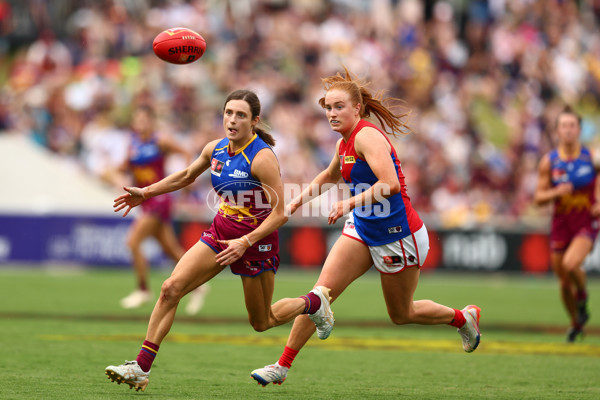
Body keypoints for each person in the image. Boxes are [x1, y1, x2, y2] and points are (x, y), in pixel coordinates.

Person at [250, 68, 481, 386]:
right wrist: (294, 203)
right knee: (320, 294)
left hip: (398, 236)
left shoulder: (366, 136)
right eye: (328, 108)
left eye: (338, 106)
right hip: (362, 228)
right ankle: (282, 366)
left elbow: (390, 185)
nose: (331, 113)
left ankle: (463, 318)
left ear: (357, 108)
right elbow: (329, 177)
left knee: (402, 314)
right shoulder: (343, 143)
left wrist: (348, 204)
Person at [104, 90, 334, 392]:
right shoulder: (215, 149)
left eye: (240, 115)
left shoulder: (262, 157)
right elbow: (186, 175)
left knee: (262, 321)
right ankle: (141, 367)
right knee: (171, 289)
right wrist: (145, 193)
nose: (232, 120)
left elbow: (280, 214)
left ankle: (313, 302)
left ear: (254, 121)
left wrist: (246, 241)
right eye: (228, 113)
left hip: (256, 242)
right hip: (221, 232)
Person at [117, 105, 209, 315]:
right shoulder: (132, 144)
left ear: (150, 121)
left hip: (159, 199)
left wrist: (188, 181)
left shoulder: (160, 141)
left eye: (143, 119)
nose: (140, 123)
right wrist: (111, 170)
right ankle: (199, 286)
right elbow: (125, 167)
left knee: (132, 242)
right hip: (145, 201)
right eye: (137, 119)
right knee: (171, 250)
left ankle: (142, 290)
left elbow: (186, 152)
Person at [534, 106, 599, 342]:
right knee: (562, 281)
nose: (568, 130)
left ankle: (582, 296)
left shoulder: (591, 157)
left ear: (579, 130)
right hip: (561, 224)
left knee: (571, 265)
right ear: (558, 130)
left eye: (572, 126)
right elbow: (538, 198)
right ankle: (575, 323)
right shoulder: (549, 162)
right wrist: (555, 192)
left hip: (586, 222)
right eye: (564, 126)